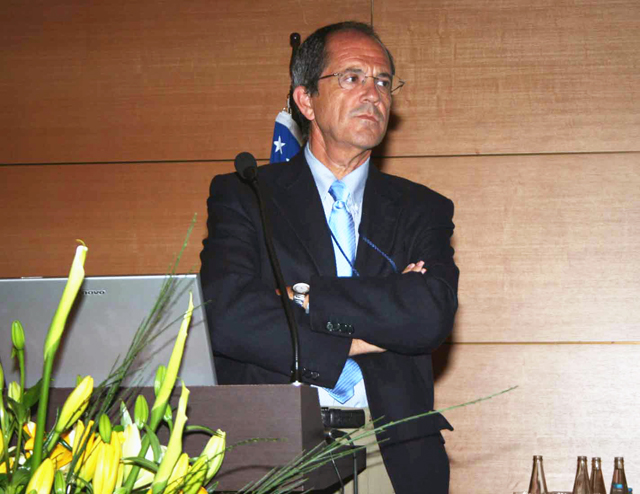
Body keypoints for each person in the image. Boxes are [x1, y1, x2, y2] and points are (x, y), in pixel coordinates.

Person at [200, 21, 459, 494]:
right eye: (352, 77)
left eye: (383, 81)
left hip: (391, 450)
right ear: (305, 100)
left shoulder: (423, 208)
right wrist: (364, 333)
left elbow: (429, 315)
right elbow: (228, 316)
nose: (373, 94)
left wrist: (305, 297)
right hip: (273, 447)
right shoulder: (246, 195)